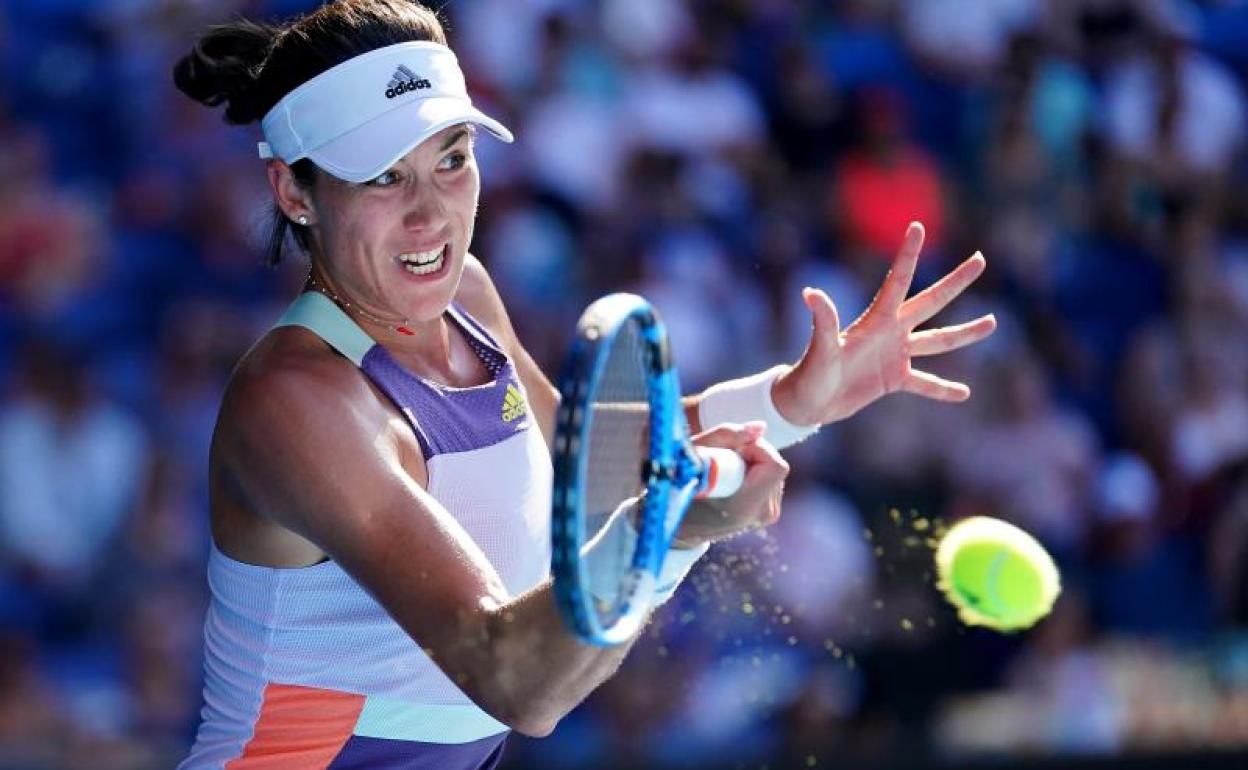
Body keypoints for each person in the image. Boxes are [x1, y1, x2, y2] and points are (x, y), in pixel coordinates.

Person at [172, 1, 995, 767]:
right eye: (384, 177)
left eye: (452, 161)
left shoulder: (466, 298)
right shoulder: (296, 401)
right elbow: (516, 680)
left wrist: (790, 403)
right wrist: (675, 533)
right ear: (295, 191)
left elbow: (584, 468)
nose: (430, 214)